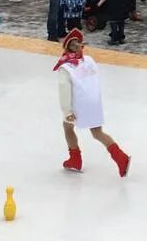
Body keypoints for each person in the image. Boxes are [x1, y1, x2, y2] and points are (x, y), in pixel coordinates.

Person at [54, 29, 130, 176]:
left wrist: (67, 111)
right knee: (97, 132)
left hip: (78, 102)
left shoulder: (65, 67)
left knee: (67, 127)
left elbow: (64, 89)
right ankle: (121, 157)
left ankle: (75, 159)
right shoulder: (89, 60)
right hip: (93, 100)